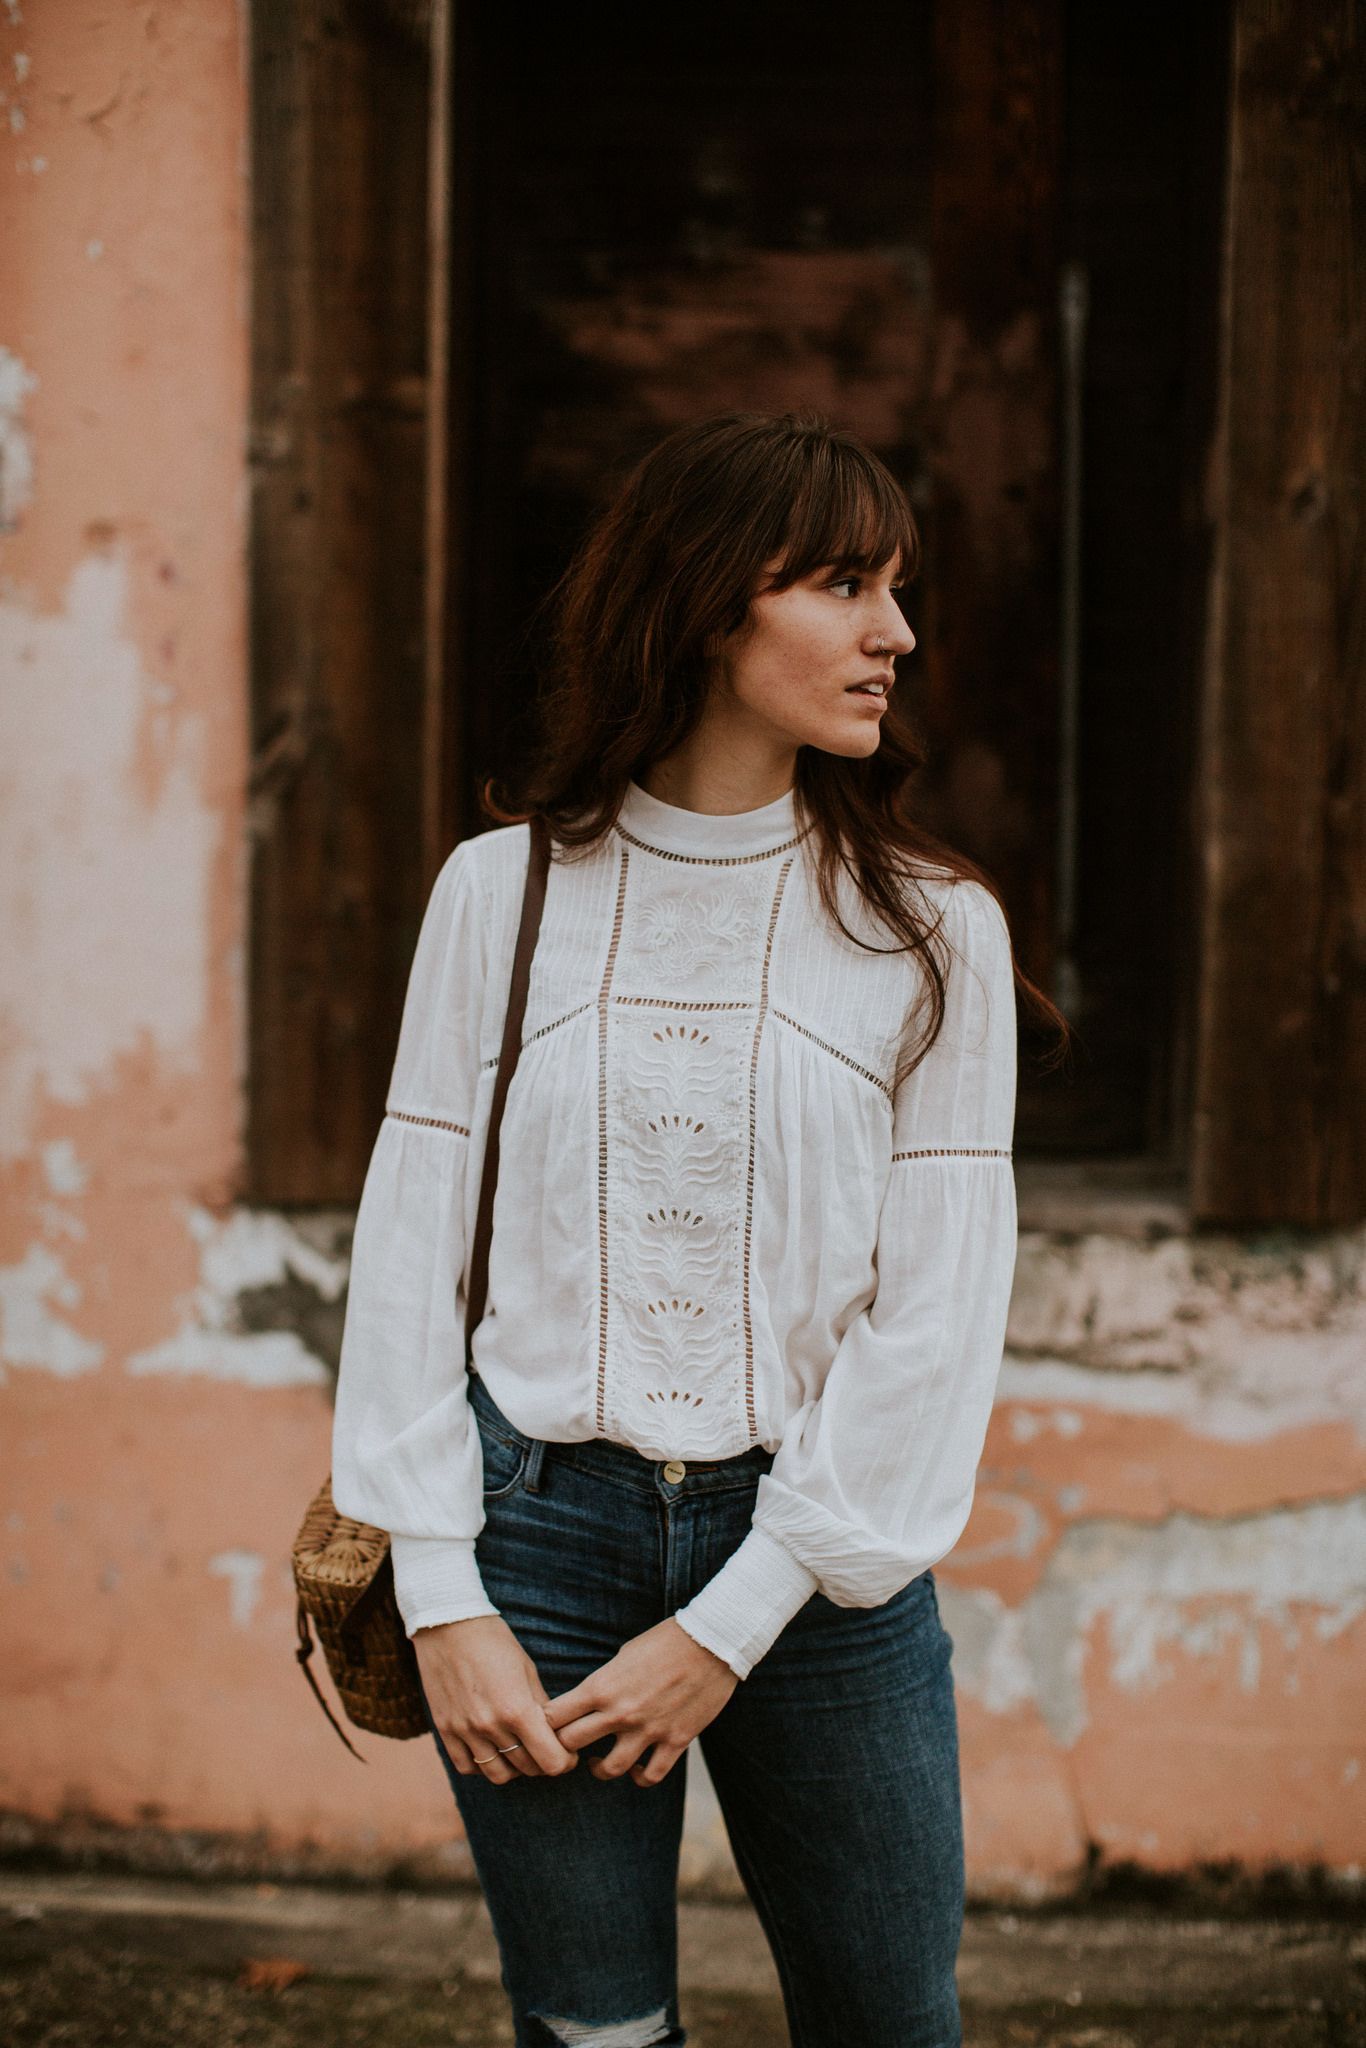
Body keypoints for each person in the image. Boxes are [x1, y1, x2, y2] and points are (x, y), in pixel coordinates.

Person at [331, 410, 1069, 2048]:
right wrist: (442, 1597)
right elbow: (407, 1249)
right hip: (536, 1539)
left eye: (897, 588)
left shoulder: (931, 933)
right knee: (591, 2034)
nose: (898, 633)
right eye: (841, 583)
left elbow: (932, 1325)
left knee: (889, 2025)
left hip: (819, 1573)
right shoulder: (498, 891)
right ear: (702, 602)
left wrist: (724, 1630)